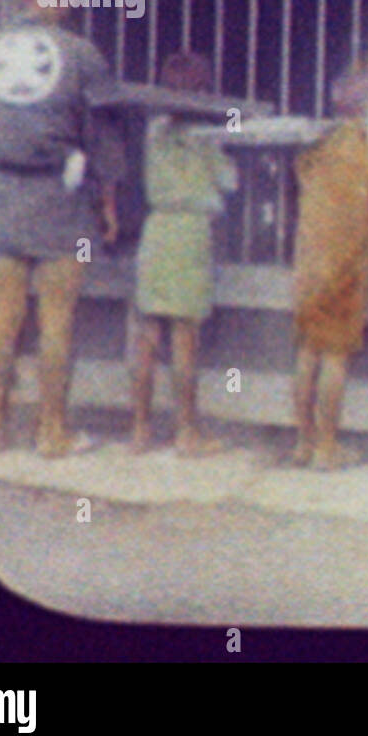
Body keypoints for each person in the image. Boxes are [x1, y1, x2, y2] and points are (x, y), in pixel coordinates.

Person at [0, 0, 125, 457]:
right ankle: (52, 432)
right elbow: (105, 141)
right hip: (61, 201)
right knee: (58, 320)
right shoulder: (81, 55)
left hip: (3, 202)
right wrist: (110, 203)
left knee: (0, 321)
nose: (76, 1)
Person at [130, 52, 239, 457]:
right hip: (191, 230)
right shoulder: (205, 136)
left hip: (155, 228)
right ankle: (186, 432)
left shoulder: (153, 130)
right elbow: (227, 183)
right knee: (184, 338)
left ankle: (140, 431)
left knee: (146, 335)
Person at [291, 64, 368, 469]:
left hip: (308, 257)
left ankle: (303, 441)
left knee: (306, 351)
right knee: (336, 355)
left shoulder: (316, 143)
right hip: (345, 259)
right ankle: (327, 447)